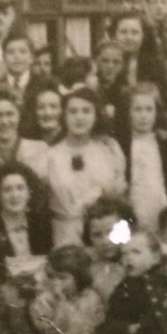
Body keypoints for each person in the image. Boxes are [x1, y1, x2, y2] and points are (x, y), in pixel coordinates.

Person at [46, 88, 126, 245]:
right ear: (64, 116)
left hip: (103, 236)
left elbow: (119, 197)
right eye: (73, 111)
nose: (79, 117)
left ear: (96, 116)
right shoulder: (51, 156)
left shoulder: (108, 150)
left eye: (86, 111)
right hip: (65, 235)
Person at [117, 84, 167, 230]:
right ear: (128, 112)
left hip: (163, 210)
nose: (143, 115)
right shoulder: (120, 145)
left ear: (156, 112)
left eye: (149, 109)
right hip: (131, 212)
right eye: (137, 109)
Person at [0, 93, 50, 212]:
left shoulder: (39, 149)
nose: (4, 121)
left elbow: (44, 193)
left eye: (10, 114)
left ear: (19, 116)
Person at [0, 161, 53, 276]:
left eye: (20, 188)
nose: (14, 195)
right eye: (7, 190)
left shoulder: (42, 224)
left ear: (29, 193)